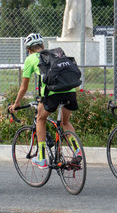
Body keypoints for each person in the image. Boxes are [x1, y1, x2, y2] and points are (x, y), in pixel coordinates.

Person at [8, 33, 81, 169]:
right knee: (65, 122)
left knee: (41, 119)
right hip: (70, 91)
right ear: (42, 45)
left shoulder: (31, 58)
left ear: (28, 49)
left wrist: (16, 103)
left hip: (52, 94)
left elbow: (24, 87)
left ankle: (41, 158)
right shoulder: (55, 54)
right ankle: (78, 151)